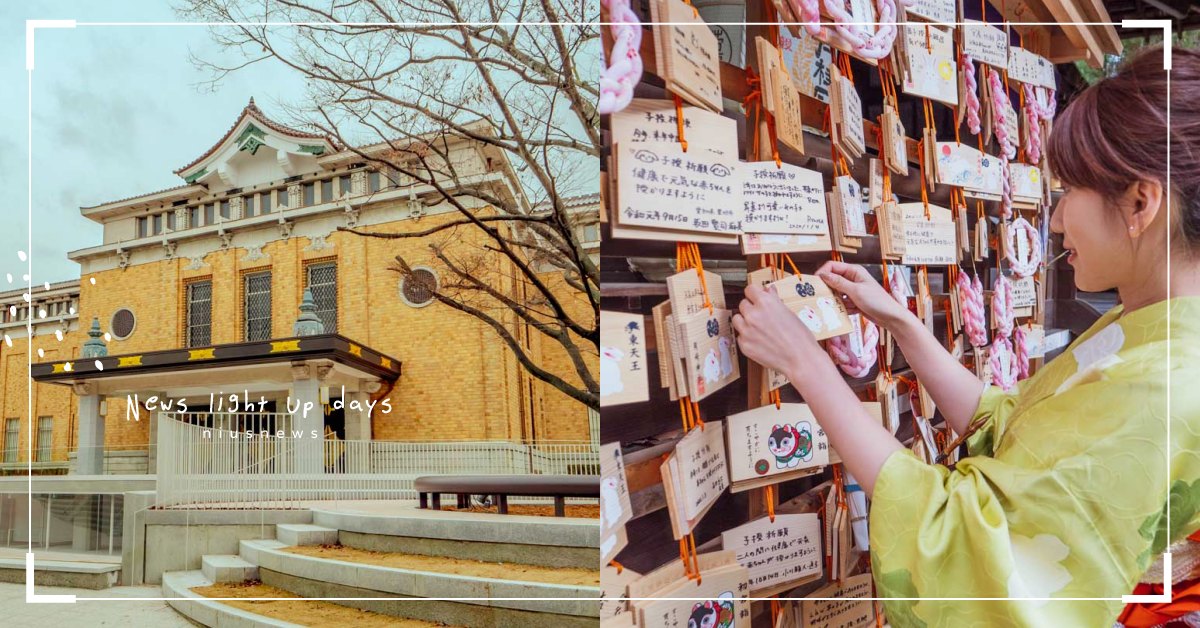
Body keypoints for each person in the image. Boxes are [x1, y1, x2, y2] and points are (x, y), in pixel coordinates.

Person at [732, 45, 1200, 626]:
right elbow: (1009, 426)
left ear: (1139, 202)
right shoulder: (1157, 336)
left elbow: (978, 553)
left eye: (1071, 191)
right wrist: (902, 324)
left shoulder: (1168, 382)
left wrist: (807, 365)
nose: (1054, 220)